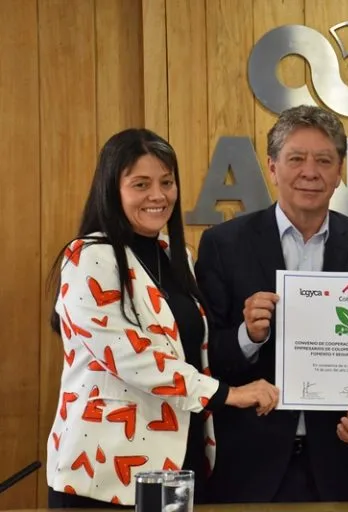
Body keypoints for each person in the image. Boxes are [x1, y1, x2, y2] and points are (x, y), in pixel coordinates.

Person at [45, 129, 279, 508]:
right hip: (104, 475)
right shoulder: (88, 257)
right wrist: (227, 394)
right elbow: (130, 356)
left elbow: (190, 350)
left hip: (176, 465)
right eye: (141, 184)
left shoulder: (176, 255)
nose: (158, 195)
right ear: (112, 189)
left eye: (166, 182)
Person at [195, 105, 348, 503]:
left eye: (324, 160)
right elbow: (203, 355)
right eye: (296, 159)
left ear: (340, 171)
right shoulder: (223, 245)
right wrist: (248, 336)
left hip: (340, 462)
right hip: (249, 467)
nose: (310, 172)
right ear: (272, 167)